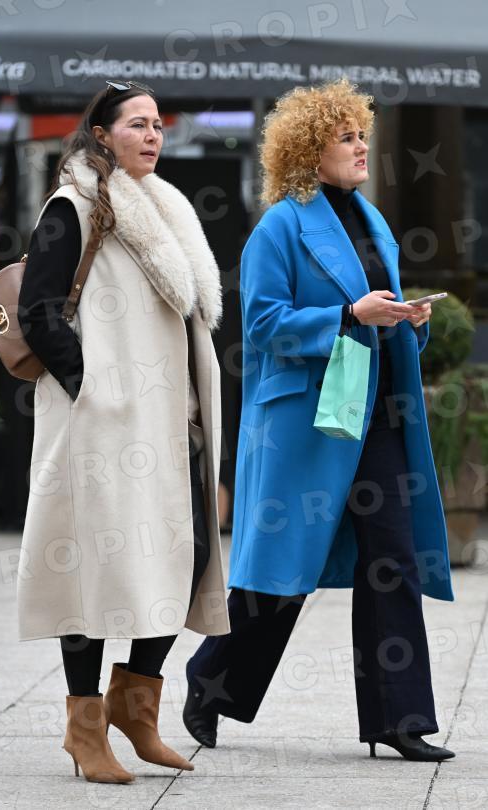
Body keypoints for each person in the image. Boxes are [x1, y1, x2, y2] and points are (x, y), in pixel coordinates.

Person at [184, 79, 455, 762]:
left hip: (377, 414)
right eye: (346, 138)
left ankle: (400, 720)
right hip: (308, 421)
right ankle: (210, 684)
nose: (362, 147)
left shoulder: (372, 220)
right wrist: (348, 315)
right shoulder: (279, 226)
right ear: (310, 151)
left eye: (362, 135)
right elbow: (262, 325)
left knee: (392, 560)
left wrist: (406, 320)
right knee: (283, 572)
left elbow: (374, 310)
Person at [17, 79, 230, 784]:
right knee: (93, 568)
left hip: (167, 423)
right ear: (102, 135)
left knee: (184, 553)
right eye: (137, 124)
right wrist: (94, 387)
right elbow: (38, 310)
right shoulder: (73, 204)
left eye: (158, 125)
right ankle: (85, 728)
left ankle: (135, 710)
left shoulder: (166, 209)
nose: (152, 135)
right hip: (100, 424)